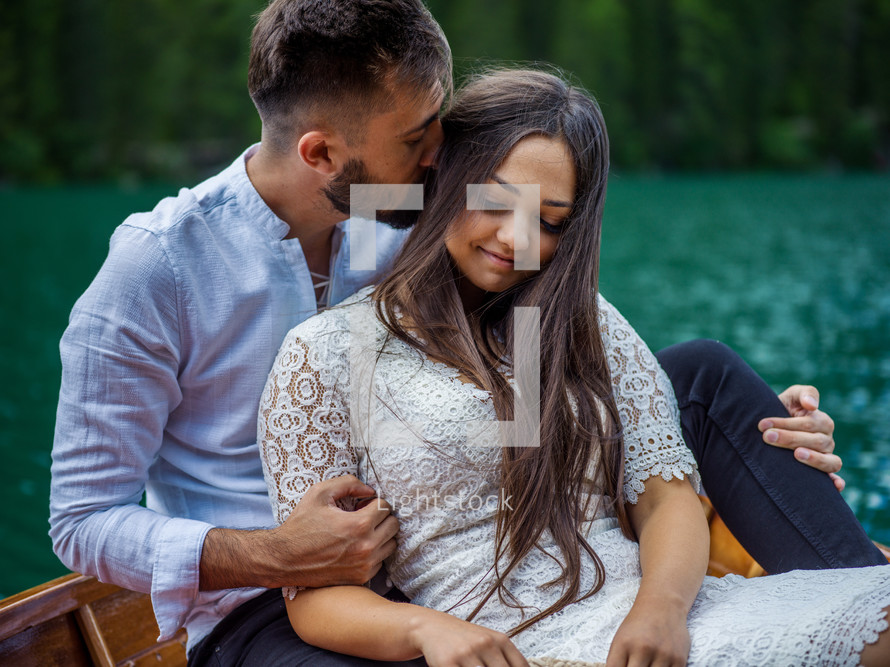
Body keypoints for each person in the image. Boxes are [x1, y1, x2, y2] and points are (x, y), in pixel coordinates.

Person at [48, 0, 881, 665]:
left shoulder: (415, 201)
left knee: (697, 375)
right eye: (420, 139)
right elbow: (81, 520)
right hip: (268, 603)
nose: (441, 155)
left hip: (450, 530)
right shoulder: (159, 268)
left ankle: (854, 590)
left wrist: (759, 419)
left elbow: (537, 323)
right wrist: (275, 553)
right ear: (320, 152)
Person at [258, 67, 890, 666]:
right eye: (496, 204)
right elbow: (313, 597)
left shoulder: (568, 318)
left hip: (656, 612)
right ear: (443, 174)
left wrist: (660, 610)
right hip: (504, 639)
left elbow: (666, 499)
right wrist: (428, 629)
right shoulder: (329, 352)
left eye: (549, 221)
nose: (515, 240)